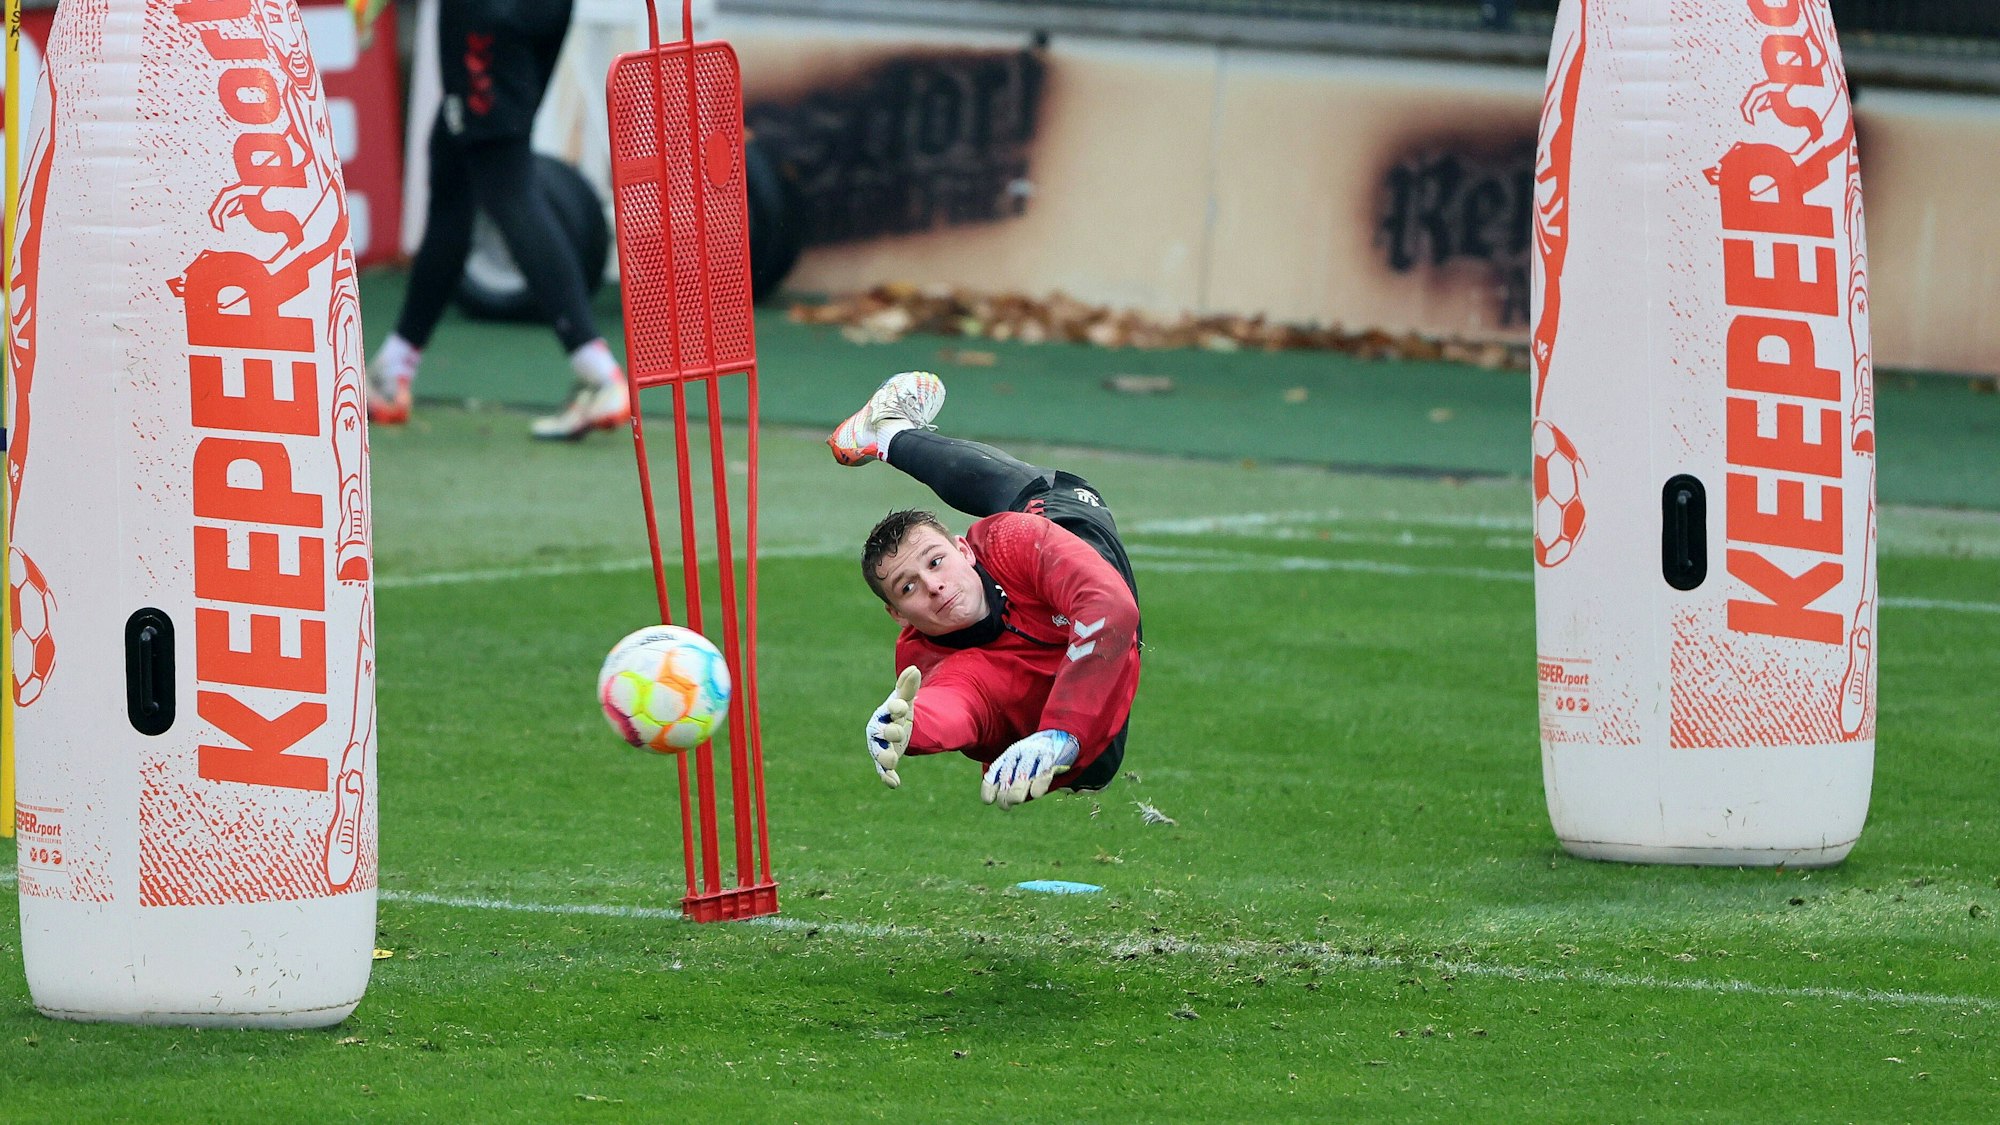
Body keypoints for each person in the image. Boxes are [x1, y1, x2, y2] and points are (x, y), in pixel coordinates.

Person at [828, 371, 1142, 810]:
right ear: (898, 616)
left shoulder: (1016, 540)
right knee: (1095, 769)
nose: (935, 586)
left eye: (936, 562)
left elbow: (1110, 608)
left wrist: (1063, 731)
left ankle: (889, 435)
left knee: (1034, 491)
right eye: (908, 586)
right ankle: (889, 432)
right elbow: (958, 703)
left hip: (1070, 533)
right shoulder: (932, 661)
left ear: (965, 550)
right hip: (1057, 654)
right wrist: (911, 725)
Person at [366, 0, 630, 441]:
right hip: (533, 12)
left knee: (504, 178)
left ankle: (597, 372)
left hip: (488, 14)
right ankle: (394, 367)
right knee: (455, 160)